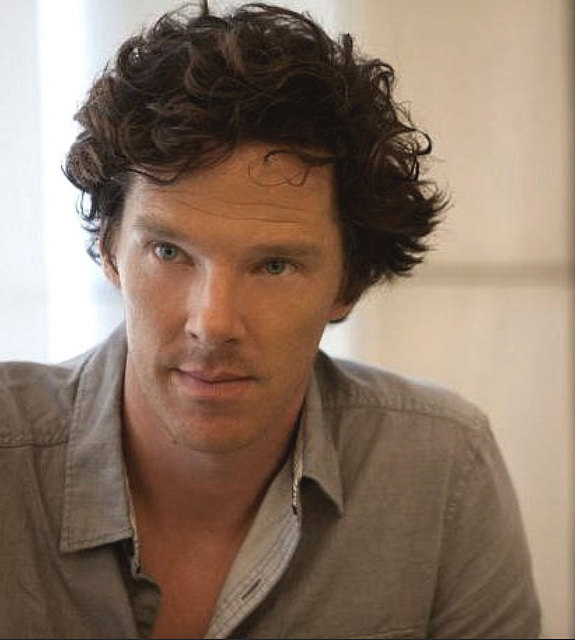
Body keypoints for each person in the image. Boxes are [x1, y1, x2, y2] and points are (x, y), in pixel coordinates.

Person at [0, 2, 540, 638]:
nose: (213, 323)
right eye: (169, 252)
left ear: (348, 284)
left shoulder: (442, 468)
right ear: (110, 251)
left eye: (275, 265)